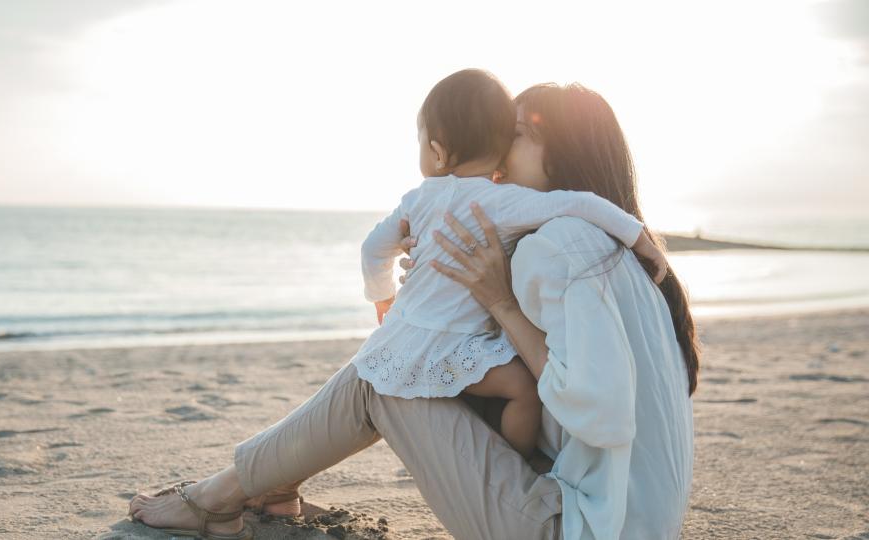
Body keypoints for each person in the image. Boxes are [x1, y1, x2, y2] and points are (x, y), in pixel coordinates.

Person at [128, 79, 696, 540]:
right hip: (617, 515)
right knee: (426, 361)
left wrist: (497, 301)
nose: (499, 149)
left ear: (563, 152)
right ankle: (266, 485)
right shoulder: (602, 247)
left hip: (577, 528)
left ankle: (219, 497)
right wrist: (456, 292)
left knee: (387, 374)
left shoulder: (563, 246)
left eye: (517, 134)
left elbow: (600, 412)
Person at [355, 68, 665, 459]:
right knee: (522, 391)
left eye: (515, 135)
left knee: (357, 393)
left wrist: (384, 298)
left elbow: (372, 250)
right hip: (457, 346)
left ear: (436, 151)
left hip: (405, 336)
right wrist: (640, 238)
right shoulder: (505, 204)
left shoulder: (415, 200)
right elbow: (581, 201)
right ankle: (512, 460)